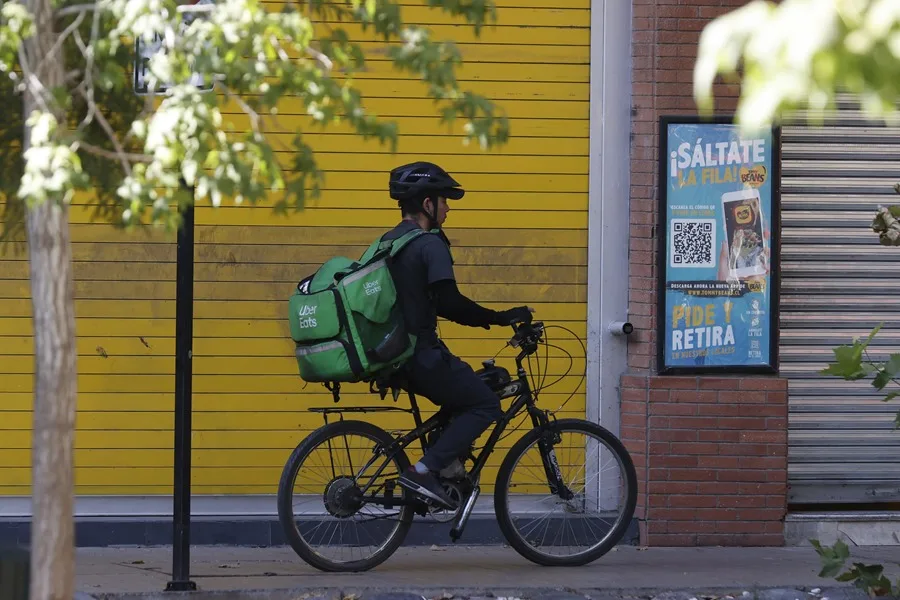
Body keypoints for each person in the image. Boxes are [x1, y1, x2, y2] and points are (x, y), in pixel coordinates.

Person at [380, 161, 534, 511]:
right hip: (420, 354)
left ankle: (444, 469)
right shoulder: (428, 245)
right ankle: (424, 471)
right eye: (444, 201)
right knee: (485, 403)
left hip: (395, 355)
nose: (448, 209)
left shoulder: (389, 242)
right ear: (427, 204)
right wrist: (500, 318)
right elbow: (449, 302)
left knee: (465, 391)